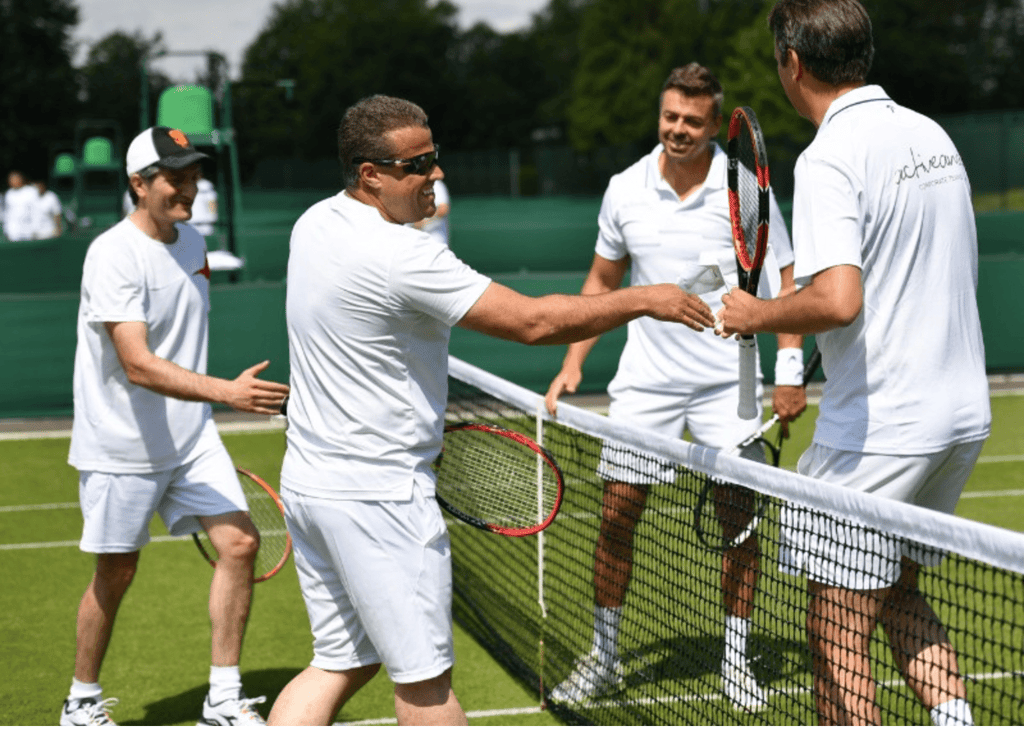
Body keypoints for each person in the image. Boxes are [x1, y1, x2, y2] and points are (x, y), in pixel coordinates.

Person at [267, 94, 716, 727]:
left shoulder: (313, 223)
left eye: (435, 157)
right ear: (370, 174)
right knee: (426, 687)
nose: (436, 175)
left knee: (340, 661)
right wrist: (644, 298)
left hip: (311, 484)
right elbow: (531, 322)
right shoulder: (404, 255)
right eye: (418, 164)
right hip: (380, 498)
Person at [715, 0, 989, 726]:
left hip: (882, 426)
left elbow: (838, 299)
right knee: (897, 585)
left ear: (792, 63)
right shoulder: (932, 134)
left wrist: (758, 313)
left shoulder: (831, 155)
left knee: (834, 625)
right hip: (960, 417)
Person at [543, 63, 806, 713]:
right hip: (647, 385)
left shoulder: (747, 189)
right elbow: (602, 283)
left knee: (739, 527)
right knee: (615, 516)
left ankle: (736, 659)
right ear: (658, 115)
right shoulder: (624, 188)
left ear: (716, 124)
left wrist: (791, 371)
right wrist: (575, 359)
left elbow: (786, 283)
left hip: (730, 385)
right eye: (670, 117)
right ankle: (603, 657)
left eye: (692, 120)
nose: (678, 130)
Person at [61, 126, 290, 727]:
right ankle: (80, 702)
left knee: (239, 544)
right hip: (121, 447)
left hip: (191, 438)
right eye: (174, 177)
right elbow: (136, 363)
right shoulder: (111, 253)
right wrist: (227, 392)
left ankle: (221, 699)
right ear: (138, 184)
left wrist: (209, 404)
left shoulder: (193, 243)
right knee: (116, 572)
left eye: (193, 174)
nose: (189, 186)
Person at [409, 177, 450, 245]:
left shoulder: (436, 185)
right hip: (413, 242)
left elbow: (443, 210)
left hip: (434, 241)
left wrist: (424, 221)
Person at [3, 169, 37, 241]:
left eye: (14, 179)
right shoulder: (9, 194)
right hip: (14, 231)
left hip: (29, 230)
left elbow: (36, 211)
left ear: (21, 179)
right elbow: (7, 213)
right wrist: (6, 229)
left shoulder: (31, 191)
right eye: (11, 180)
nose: (12, 181)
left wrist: (35, 228)